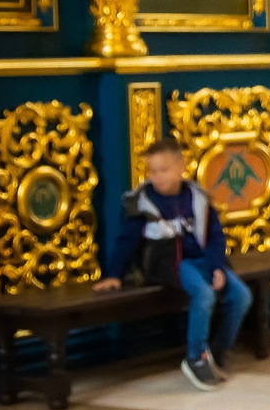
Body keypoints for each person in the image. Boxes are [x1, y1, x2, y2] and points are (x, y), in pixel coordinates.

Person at [96, 138, 252, 393]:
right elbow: (126, 241)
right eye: (152, 171)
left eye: (163, 170)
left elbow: (215, 236)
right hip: (169, 263)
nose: (157, 177)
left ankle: (219, 349)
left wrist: (216, 267)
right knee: (203, 294)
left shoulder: (198, 197)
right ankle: (196, 357)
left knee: (241, 295)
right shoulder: (142, 202)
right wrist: (115, 274)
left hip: (203, 260)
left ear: (181, 167)